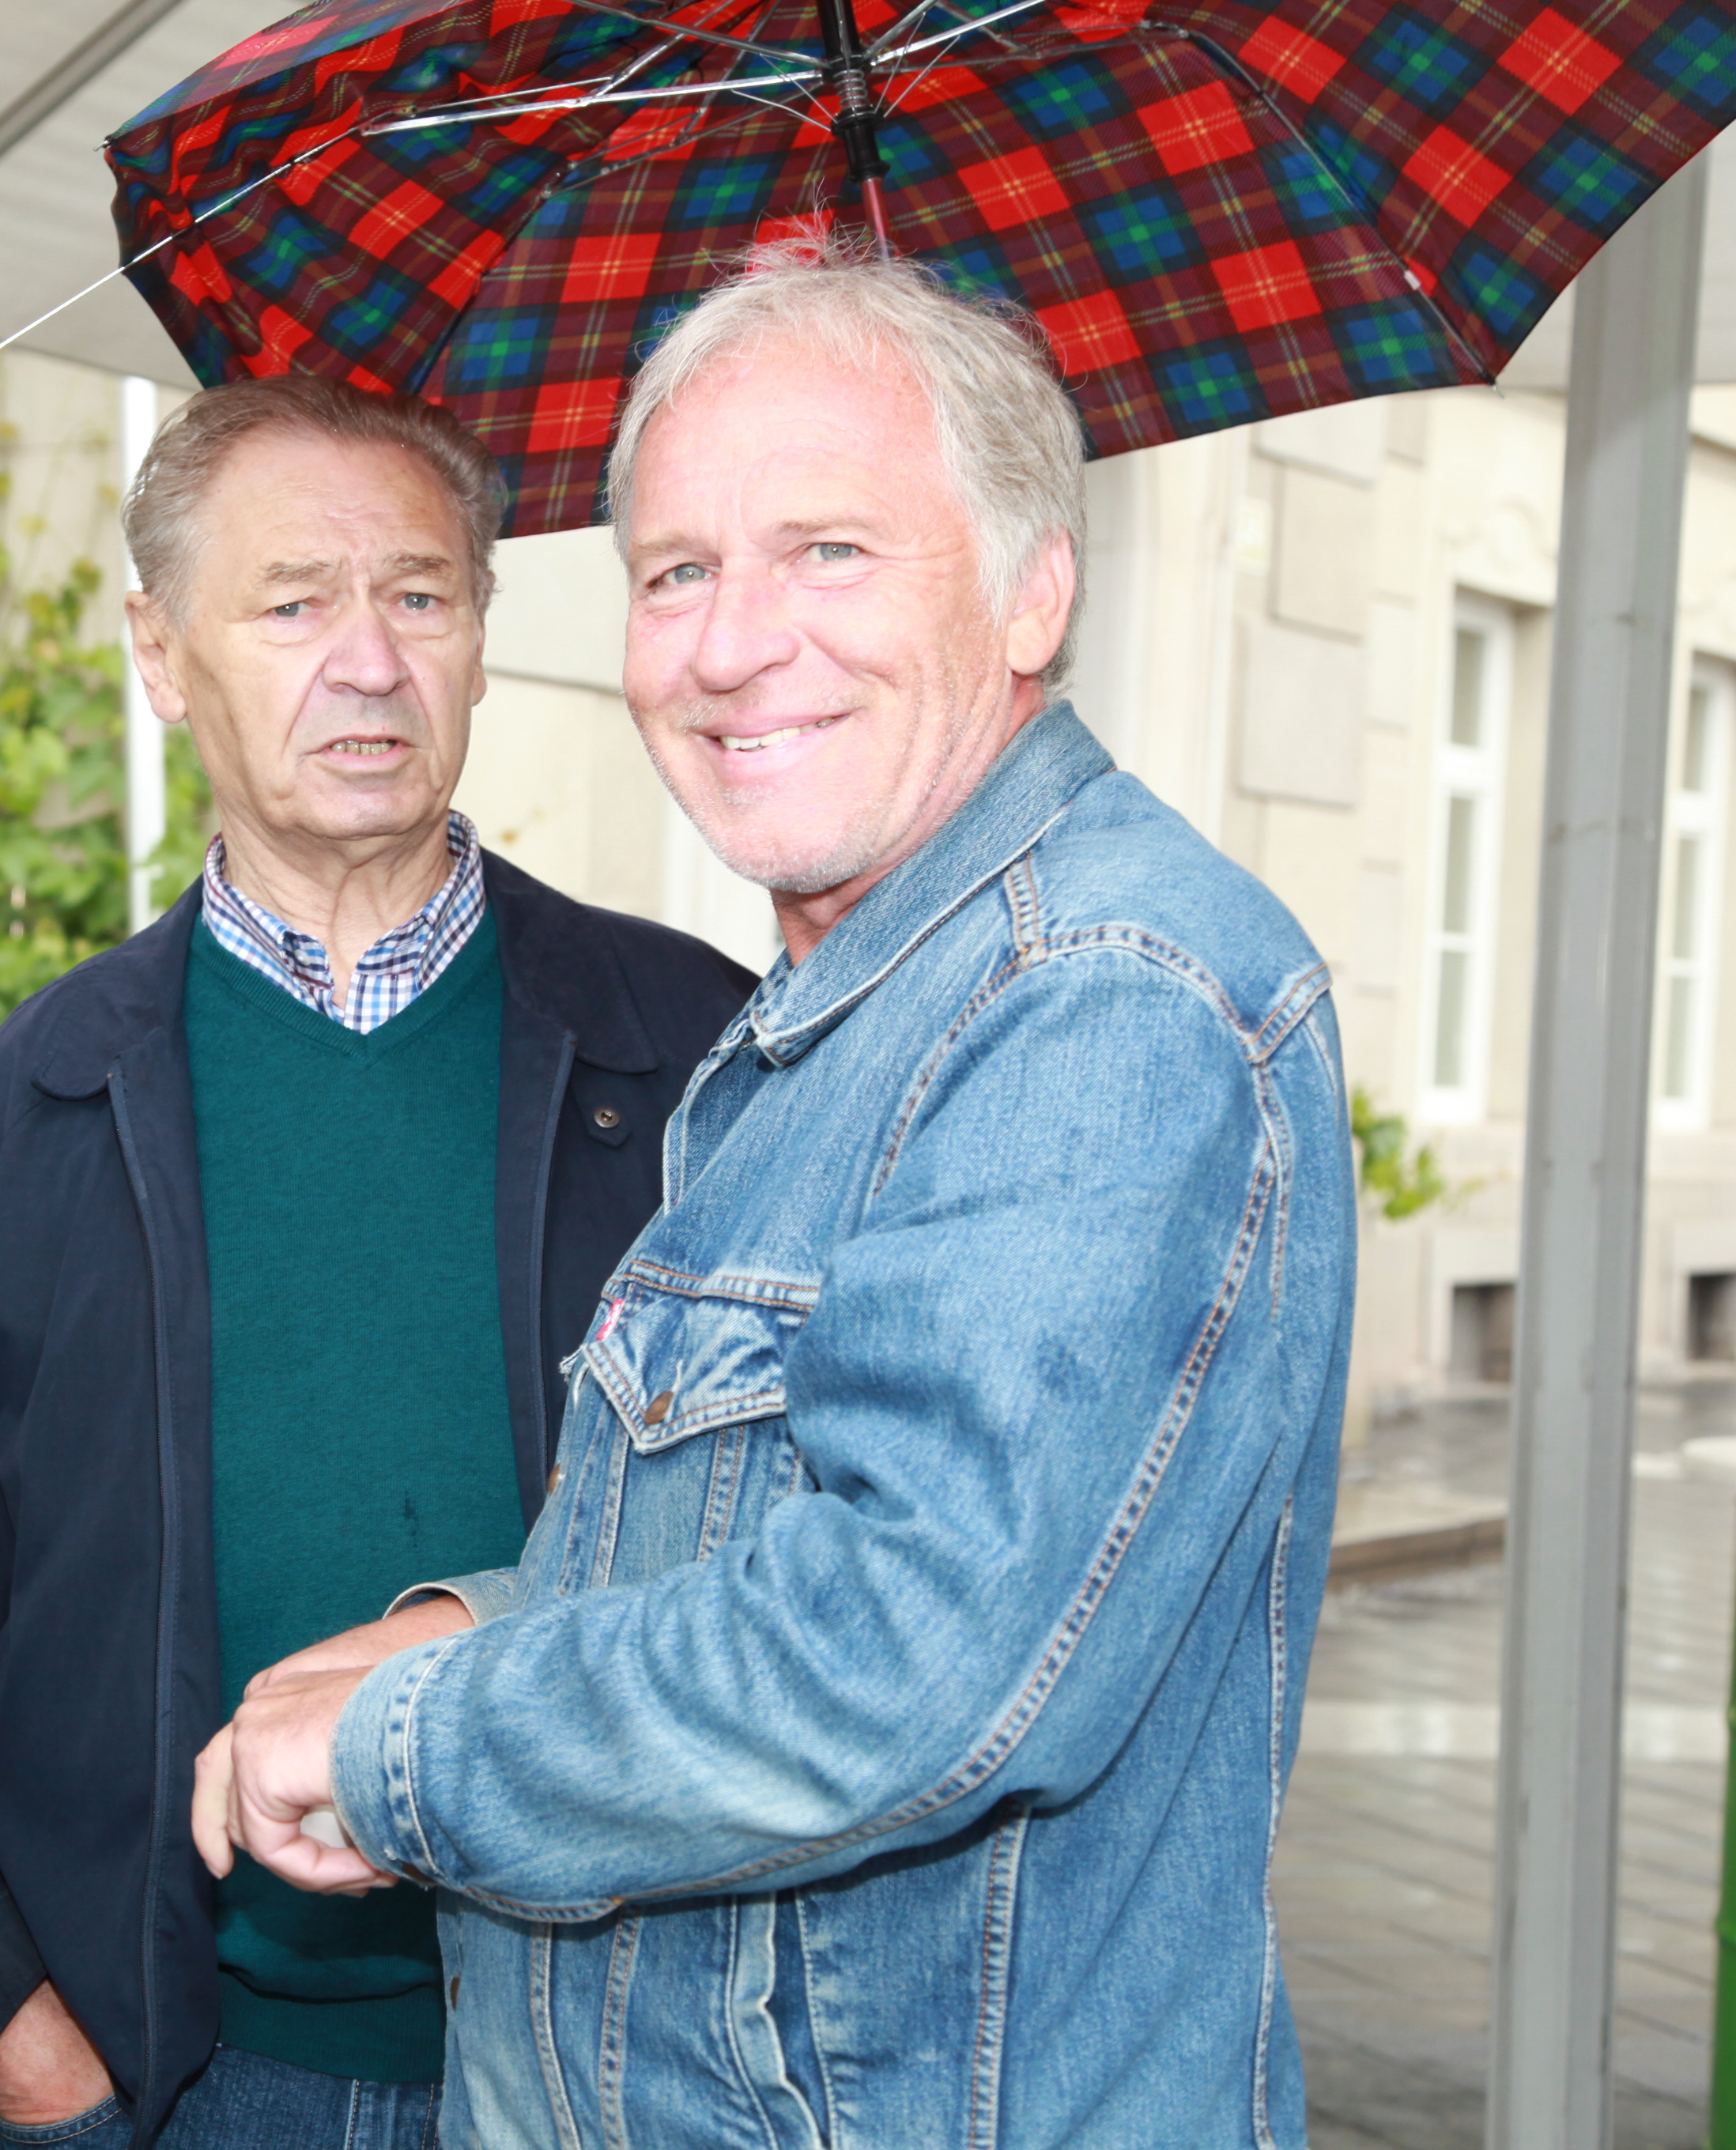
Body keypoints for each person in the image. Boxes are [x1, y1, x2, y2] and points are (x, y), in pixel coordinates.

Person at [195, 237, 1355, 2147]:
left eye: (828, 547)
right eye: (675, 569)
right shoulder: (836, 1017)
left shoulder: (1103, 992)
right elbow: (754, 1541)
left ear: (1030, 591)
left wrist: (413, 1740)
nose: (731, 643)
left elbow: (910, 1652)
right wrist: (472, 1627)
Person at [0, 375, 754, 2148]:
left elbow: (821, 1553)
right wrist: (21, 2038)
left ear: (482, 639)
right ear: (161, 651)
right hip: (184, 2080)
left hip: (626, 2058)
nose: (369, 662)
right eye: (292, 604)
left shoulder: (699, 1058)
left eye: (420, 595)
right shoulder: (24, 1114)